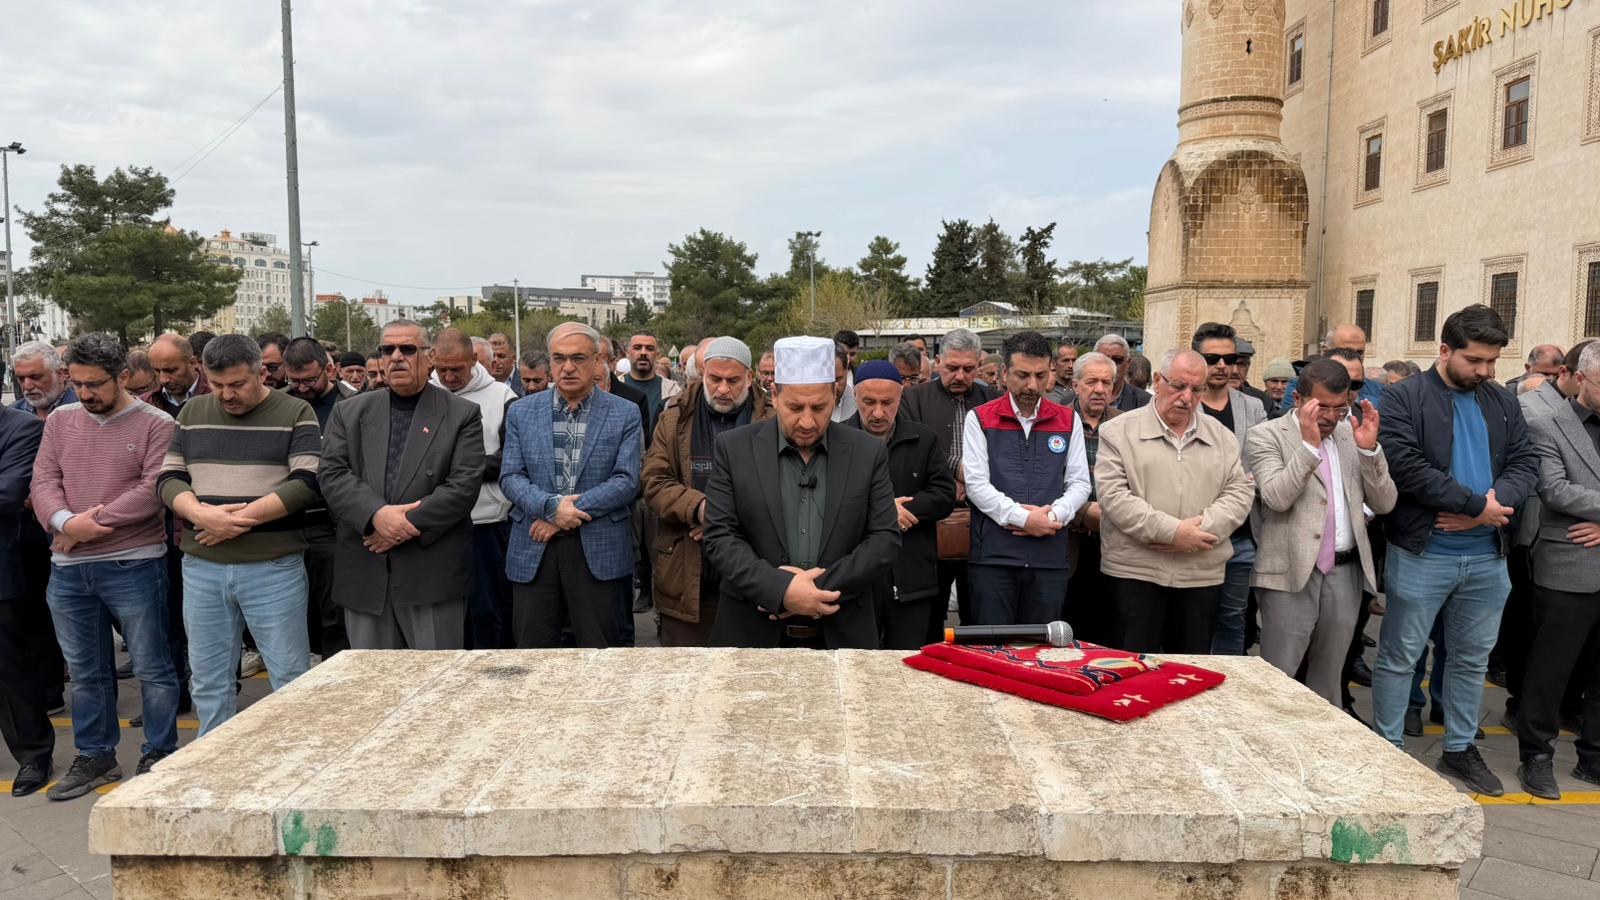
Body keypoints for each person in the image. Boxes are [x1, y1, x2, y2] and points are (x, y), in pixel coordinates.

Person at [1370, 304, 1537, 797]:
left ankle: (1460, 748)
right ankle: (1388, 750)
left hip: (1488, 553)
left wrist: (1490, 507)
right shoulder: (1404, 399)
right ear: (1444, 351)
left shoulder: (1502, 403)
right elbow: (1406, 466)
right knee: (1400, 656)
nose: (1486, 371)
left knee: (1470, 659)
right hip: (1424, 552)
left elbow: (1526, 463)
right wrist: (1472, 504)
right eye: (1476, 361)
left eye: (1492, 362)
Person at [31, 333, 180, 799]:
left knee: (154, 666)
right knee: (86, 670)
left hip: (134, 563)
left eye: (95, 384)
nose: (86, 394)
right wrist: (64, 521)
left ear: (123, 377)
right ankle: (96, 755)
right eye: (77, 383)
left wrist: (90, 524)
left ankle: (160, 751)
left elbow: (153, 488)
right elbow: (43, 480)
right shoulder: (60, 420)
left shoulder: (157, 424)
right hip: (69, 567)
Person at [158, 335, 321, 735]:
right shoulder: (193, 412)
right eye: (217, 385)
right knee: (209, 681)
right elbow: (169, 478)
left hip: (273, 569)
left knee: (290, 678)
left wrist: (234, 521)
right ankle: (213, 769)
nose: (226, 395)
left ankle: (293, 764)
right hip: (202, 567)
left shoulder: (295, 411)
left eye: (237, 384)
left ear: (261, 372)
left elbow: (305, 483)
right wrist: (198, 513)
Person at [702, 335, 899, 649]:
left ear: (835, 397)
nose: (807, 421)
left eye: (819, 407)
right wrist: (779, 589)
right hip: (749, 632)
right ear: (775, 394)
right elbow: (720, 536)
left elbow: (884, 539)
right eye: (795, 407)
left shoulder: (867, 452)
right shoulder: (735, 448)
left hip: (844, 632)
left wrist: (809, 591)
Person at [320, 321, 486, 651]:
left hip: (431, 573)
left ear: (430, 357)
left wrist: (401, 525)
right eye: (387, 350)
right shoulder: (349, 412)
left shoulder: (462, 414)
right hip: (366, 570)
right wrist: (376, 516)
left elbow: (463, 485)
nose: (396, 357)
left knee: (435, 684)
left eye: (407, 349)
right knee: (372, 685)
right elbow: (332, 474)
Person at [1249, 358, 1395, 706]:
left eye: (1340, 407)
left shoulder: (1351, 434)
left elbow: (1386, 502)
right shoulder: (1265, 436)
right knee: (1278, 678)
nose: (1330, 417)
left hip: (1344, 573)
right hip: (1290, 573)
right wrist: (1309, 447)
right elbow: (1276, 497)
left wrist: (1369, 451)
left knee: (1329, 681)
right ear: (1298, 400)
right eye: (1322, 407)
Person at [1096, 349, 1255, 653]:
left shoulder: (1222, 437)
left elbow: (1238, 493)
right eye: (1179, 386)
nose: (1187, 397)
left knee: (1189, 672)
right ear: (1157, 381)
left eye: (1197, 389)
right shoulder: (1118, 432)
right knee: (1129, 669)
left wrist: (1196, 534)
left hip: (1200, 575)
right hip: (1135, 573)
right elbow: (1114, 497)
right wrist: (1172, 532)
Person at [500, 323, 641, 648]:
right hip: (535, 551)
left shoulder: (625, 413)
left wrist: (564, 514)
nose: (568, 367)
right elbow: (511, 477)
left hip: (598, 550)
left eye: (578, 358)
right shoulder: (521, 412)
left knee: (602, 659)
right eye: (559, 358)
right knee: (533, 659)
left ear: (597, 362)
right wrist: (551, 509)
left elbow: (626, 481)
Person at [643, 337, 770, 646]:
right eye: (715, 379)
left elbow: (784, 489)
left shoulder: (773, 420)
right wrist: (701, 509)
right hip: (685, 571)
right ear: (702, 375)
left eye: (733, 380)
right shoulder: (674, 417)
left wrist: (724, 519)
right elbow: (654, 481)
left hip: (752, 574)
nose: (723, 389)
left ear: (750, 378)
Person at [1517, 342, 1600, 800]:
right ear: (1580, 378)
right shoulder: (1545, 423)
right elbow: (1555, 490)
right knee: (1550, 670)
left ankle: (1594, 757)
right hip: (1568, 564)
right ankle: (1537, 755)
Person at [962, 331, 1090, 626]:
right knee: (993, 651)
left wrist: (1053, 516)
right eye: (1022, 375)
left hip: (1049, 559)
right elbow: (977, 485)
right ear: (1005, 373)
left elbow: (1080, 482)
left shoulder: (1067, 420)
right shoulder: (980, 418)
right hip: (994, 559)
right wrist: (1022, 518)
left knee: (1041, 652)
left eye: (1040, 375)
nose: (1032, 385)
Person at [846, 361, 955, 649]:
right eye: (869, 402)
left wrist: (904, 511)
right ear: (854, 397)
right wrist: (884, 510)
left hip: (912, 578)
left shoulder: (923, 439)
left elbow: (944, 495)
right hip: (856, 580)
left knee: (908, 664)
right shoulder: (838, 440)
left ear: (901, 397)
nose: (878, 413)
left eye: (887, 402)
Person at [900, 328, 997, 626]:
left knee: (979, 615)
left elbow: (1003, 454)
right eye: (953, 368)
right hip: (928, 521)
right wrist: (956, 472)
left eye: (969, 369)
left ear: (978, 366)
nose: (960, 376)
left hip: (983, 521)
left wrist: (972, 480)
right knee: (930, 615)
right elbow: (914, 451)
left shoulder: (992, 400)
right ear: (939, 361)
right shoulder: (913, 400)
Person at [429, 329, 517, 650]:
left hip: (485, 523)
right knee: (445, 611)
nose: (450, 377)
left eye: (457, 369)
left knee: (486, 609)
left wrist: (459, 471)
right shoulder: (425, 394)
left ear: (474, 360)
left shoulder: (502, 398)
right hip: (436, 523)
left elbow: (511, 460)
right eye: (443, 370)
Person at [1191, 323, 1268, 655]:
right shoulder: (1184, 405)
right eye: (1212, 358)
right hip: (1193, 531)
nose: (1223, 366)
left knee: (1233, 619)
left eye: (1230, 358)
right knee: (1192, 619)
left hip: (1241, 536)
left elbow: (1260, 464)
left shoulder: (1253, 407)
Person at [281, 338, 353, 660]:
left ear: (330, 369)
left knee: (334, 611)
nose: (302, 388)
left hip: (334, 524)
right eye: (294, 381)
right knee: (291, 610)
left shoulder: (355, 404)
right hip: (286, 522)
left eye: (310, 380)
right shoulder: (277, 405)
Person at [0, 405, 49, 796]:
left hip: (4, 566)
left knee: (11, 669)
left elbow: (10, 491)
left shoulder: (22, 427)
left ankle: (33, 754)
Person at [1062, 352, 1122, 644]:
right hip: (1066, 539)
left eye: (1106, 383)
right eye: (1092, 382)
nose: (1099, 389)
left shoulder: (1128, 425)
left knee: (1107, 627)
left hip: (1113, 540)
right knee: (1067, 624)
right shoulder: (1055, 420)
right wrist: (1083, 511)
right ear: (1075, 385)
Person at [1278, 325, 1383, 414]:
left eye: (1360, 352)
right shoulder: (1298, 385)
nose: (1353, 356)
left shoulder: (1380, 391)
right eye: (1345, 351)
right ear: (1325, 351)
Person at [624, 332, 682, 428]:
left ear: (657, 354)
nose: (643, 353)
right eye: (637, 348)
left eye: (649, 348)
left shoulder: (673, 390)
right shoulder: (614, 387)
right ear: (628, 353)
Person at [12, 341, 75, 420]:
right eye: (21, 378)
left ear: (60, 375)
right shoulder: (10, 415)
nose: (27, 386)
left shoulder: (85, 409)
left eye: (35, 377)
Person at [1093, 334, 1152, 412]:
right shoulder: (1074, 399)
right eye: (1104, 360)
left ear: (1128, 363)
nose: (1111, 365)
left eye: (1118, 360)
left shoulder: (1145, 402)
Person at [488, 332, 521, 397]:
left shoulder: (525, 381)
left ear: (514, 358)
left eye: (501, 356)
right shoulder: (478, 383)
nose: (495, 360)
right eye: (492, 356)